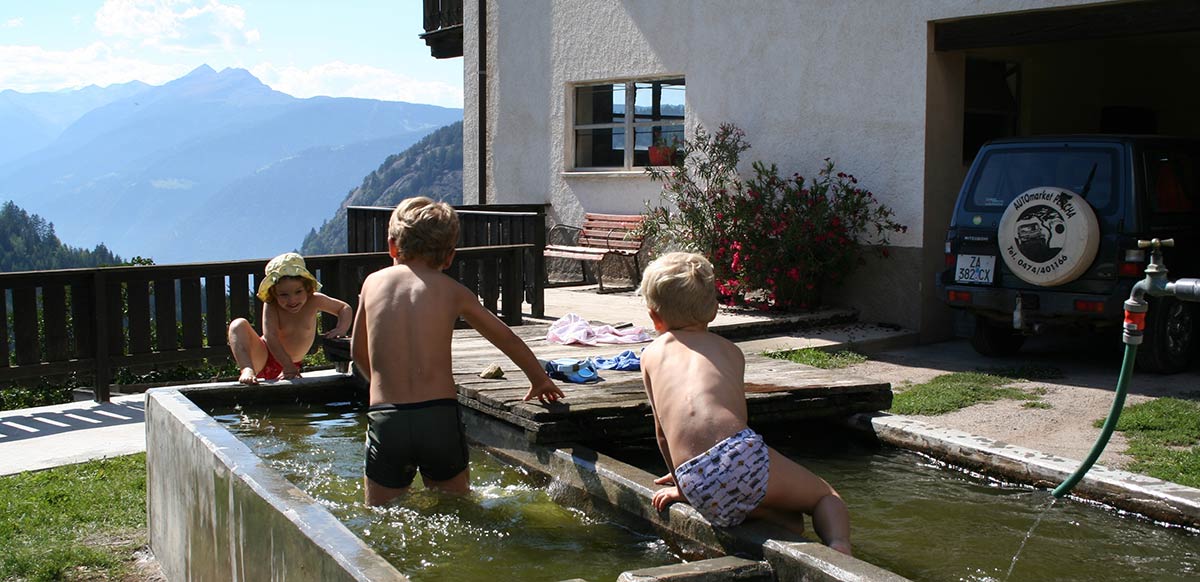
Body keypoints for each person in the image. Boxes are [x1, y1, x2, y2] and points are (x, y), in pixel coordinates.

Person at [351, 196, 564, 506]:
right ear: (449, 257)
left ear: (392, 246)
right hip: (438, 416)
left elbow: (358, 350)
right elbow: (504, 337)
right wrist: (538, 378)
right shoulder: (454, 292)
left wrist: (380, 385)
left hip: (388, 417)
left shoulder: (372, 283)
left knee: (383, 514)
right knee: (458, 509)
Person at [637, 252, 852, 555]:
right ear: (713, 310)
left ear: (654, 317)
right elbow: (739, 420)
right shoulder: (729, 351)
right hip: (740, 453)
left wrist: (684, 485)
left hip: (694, 479)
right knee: (823, 497)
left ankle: (763, 515)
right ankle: (840, 551)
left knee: (791, 522)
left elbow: (661, 432)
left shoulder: (650, 355)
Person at [228, 252, 352, 385]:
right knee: (237, 324)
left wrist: (341, 329)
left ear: (308, 289)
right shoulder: (272, 305)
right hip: (264, 356)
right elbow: (271, 336)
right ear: (274, 294)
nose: (292, 300)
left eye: (298, 292)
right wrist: (286, 365)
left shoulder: (315, 300)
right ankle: (247, 369)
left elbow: (344, 308)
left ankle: (284, 367)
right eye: (283, 295)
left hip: (292, 362)